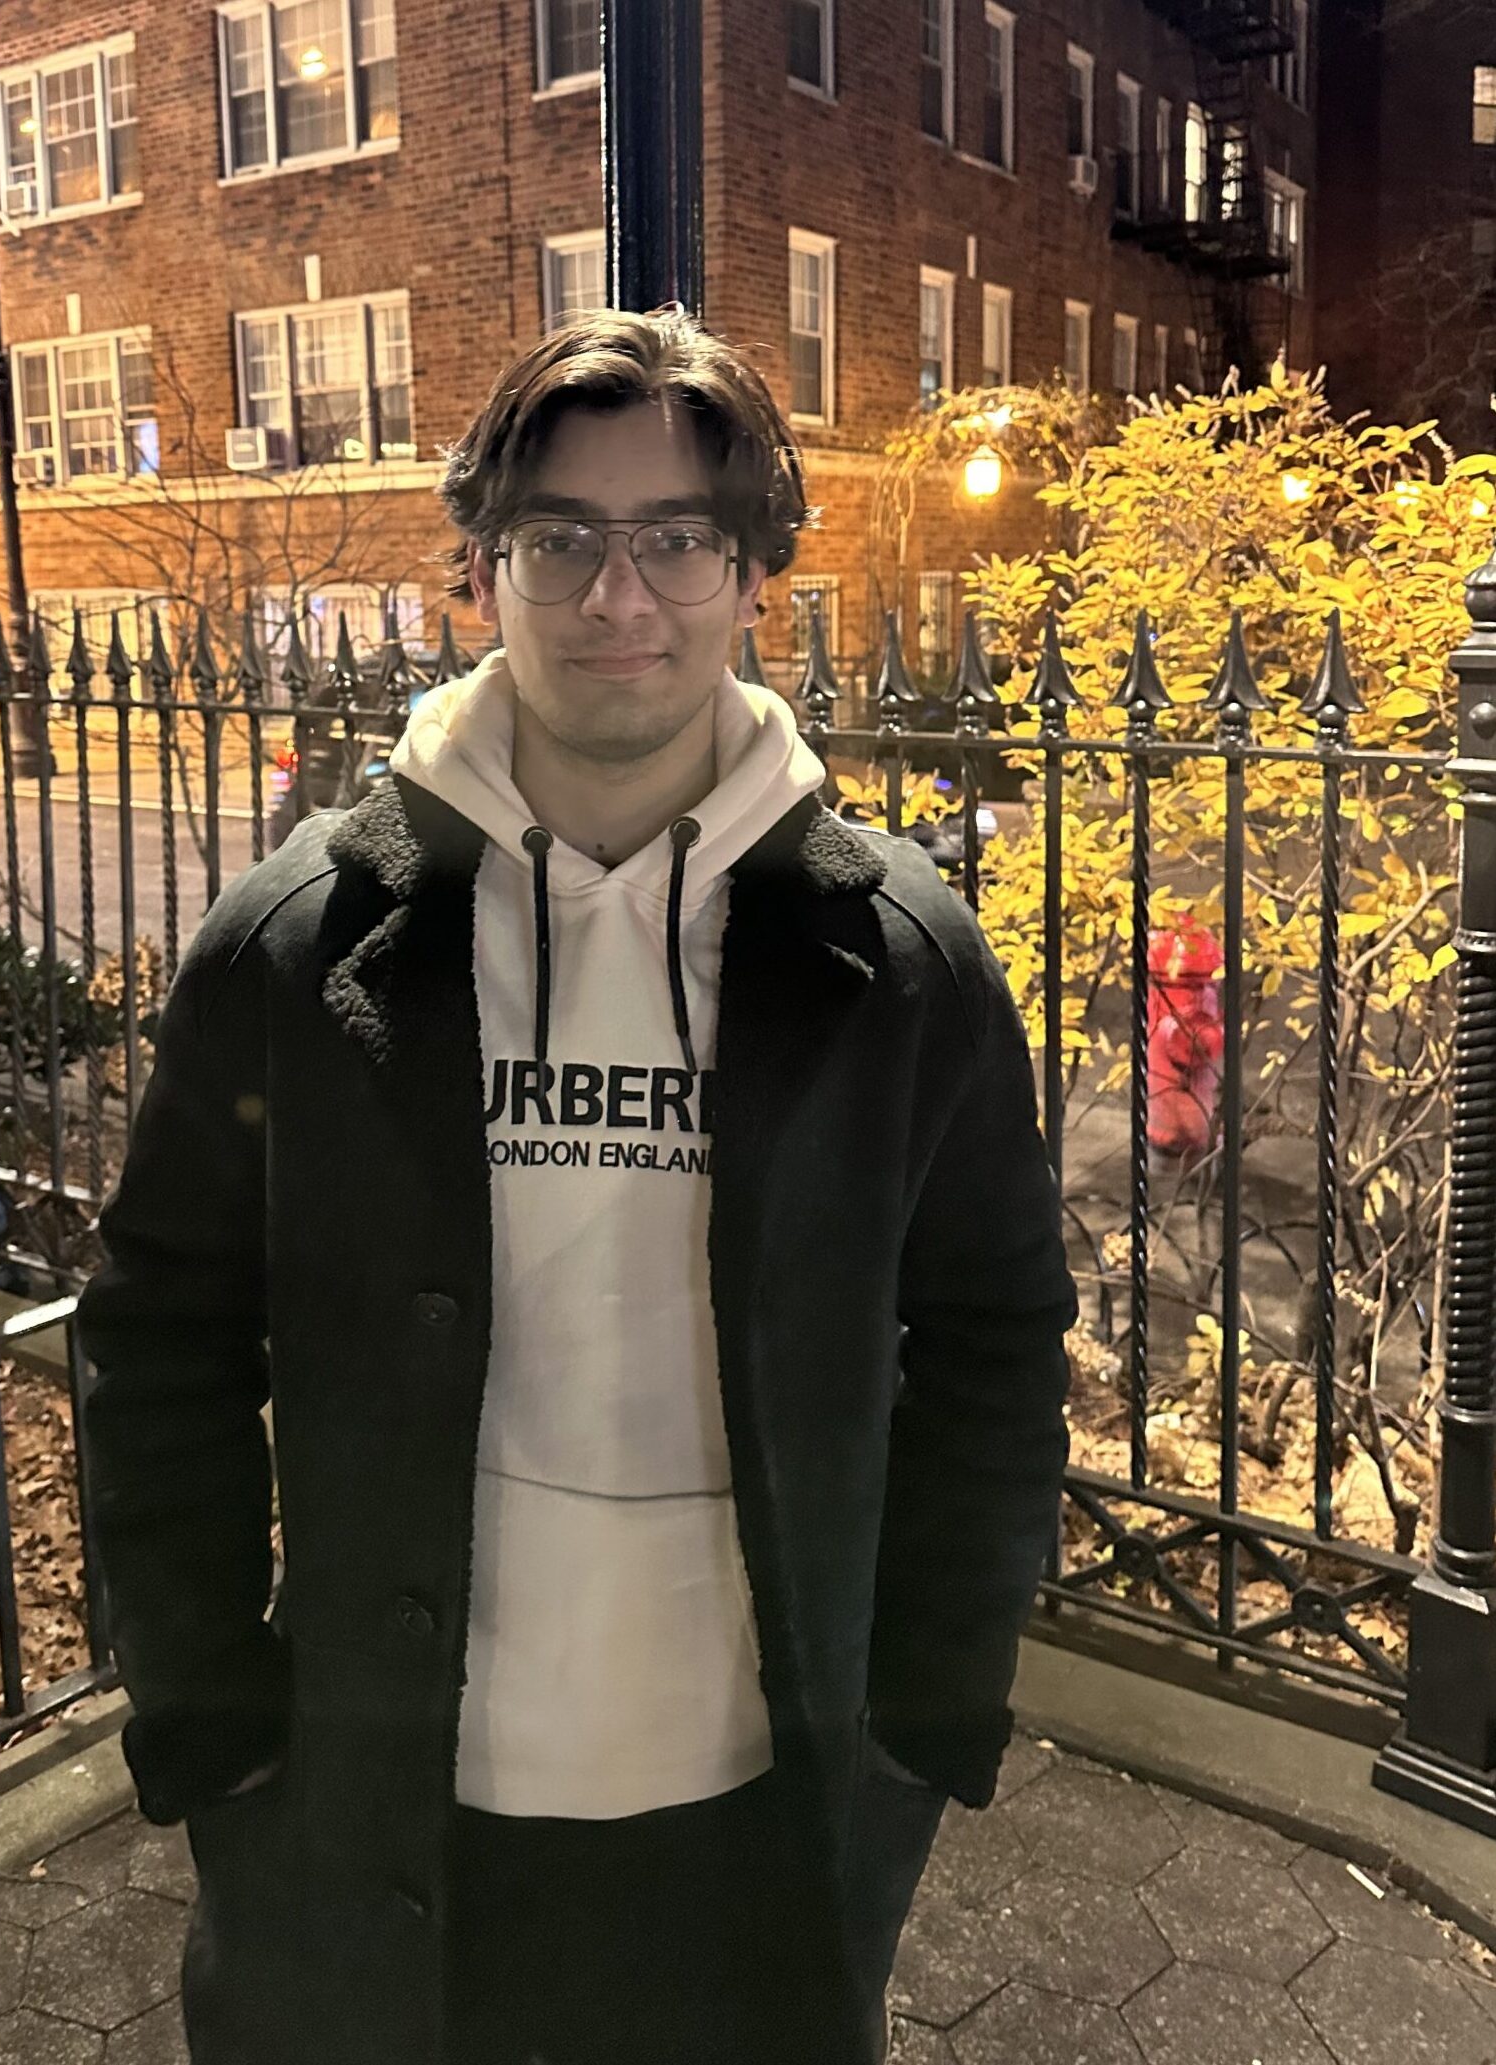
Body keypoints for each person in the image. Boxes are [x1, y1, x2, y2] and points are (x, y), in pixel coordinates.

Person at [76, 306, 1077, 2065]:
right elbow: (158, 1337)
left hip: (759, 1822)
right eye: (562, 541)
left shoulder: (903, 964)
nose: (624, 598)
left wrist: (928, 1717)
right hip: (384, 1813)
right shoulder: (299, 947)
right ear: (480, 570)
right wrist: (211, 1716)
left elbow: (997, 1343)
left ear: (758, 575)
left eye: (680, 538)